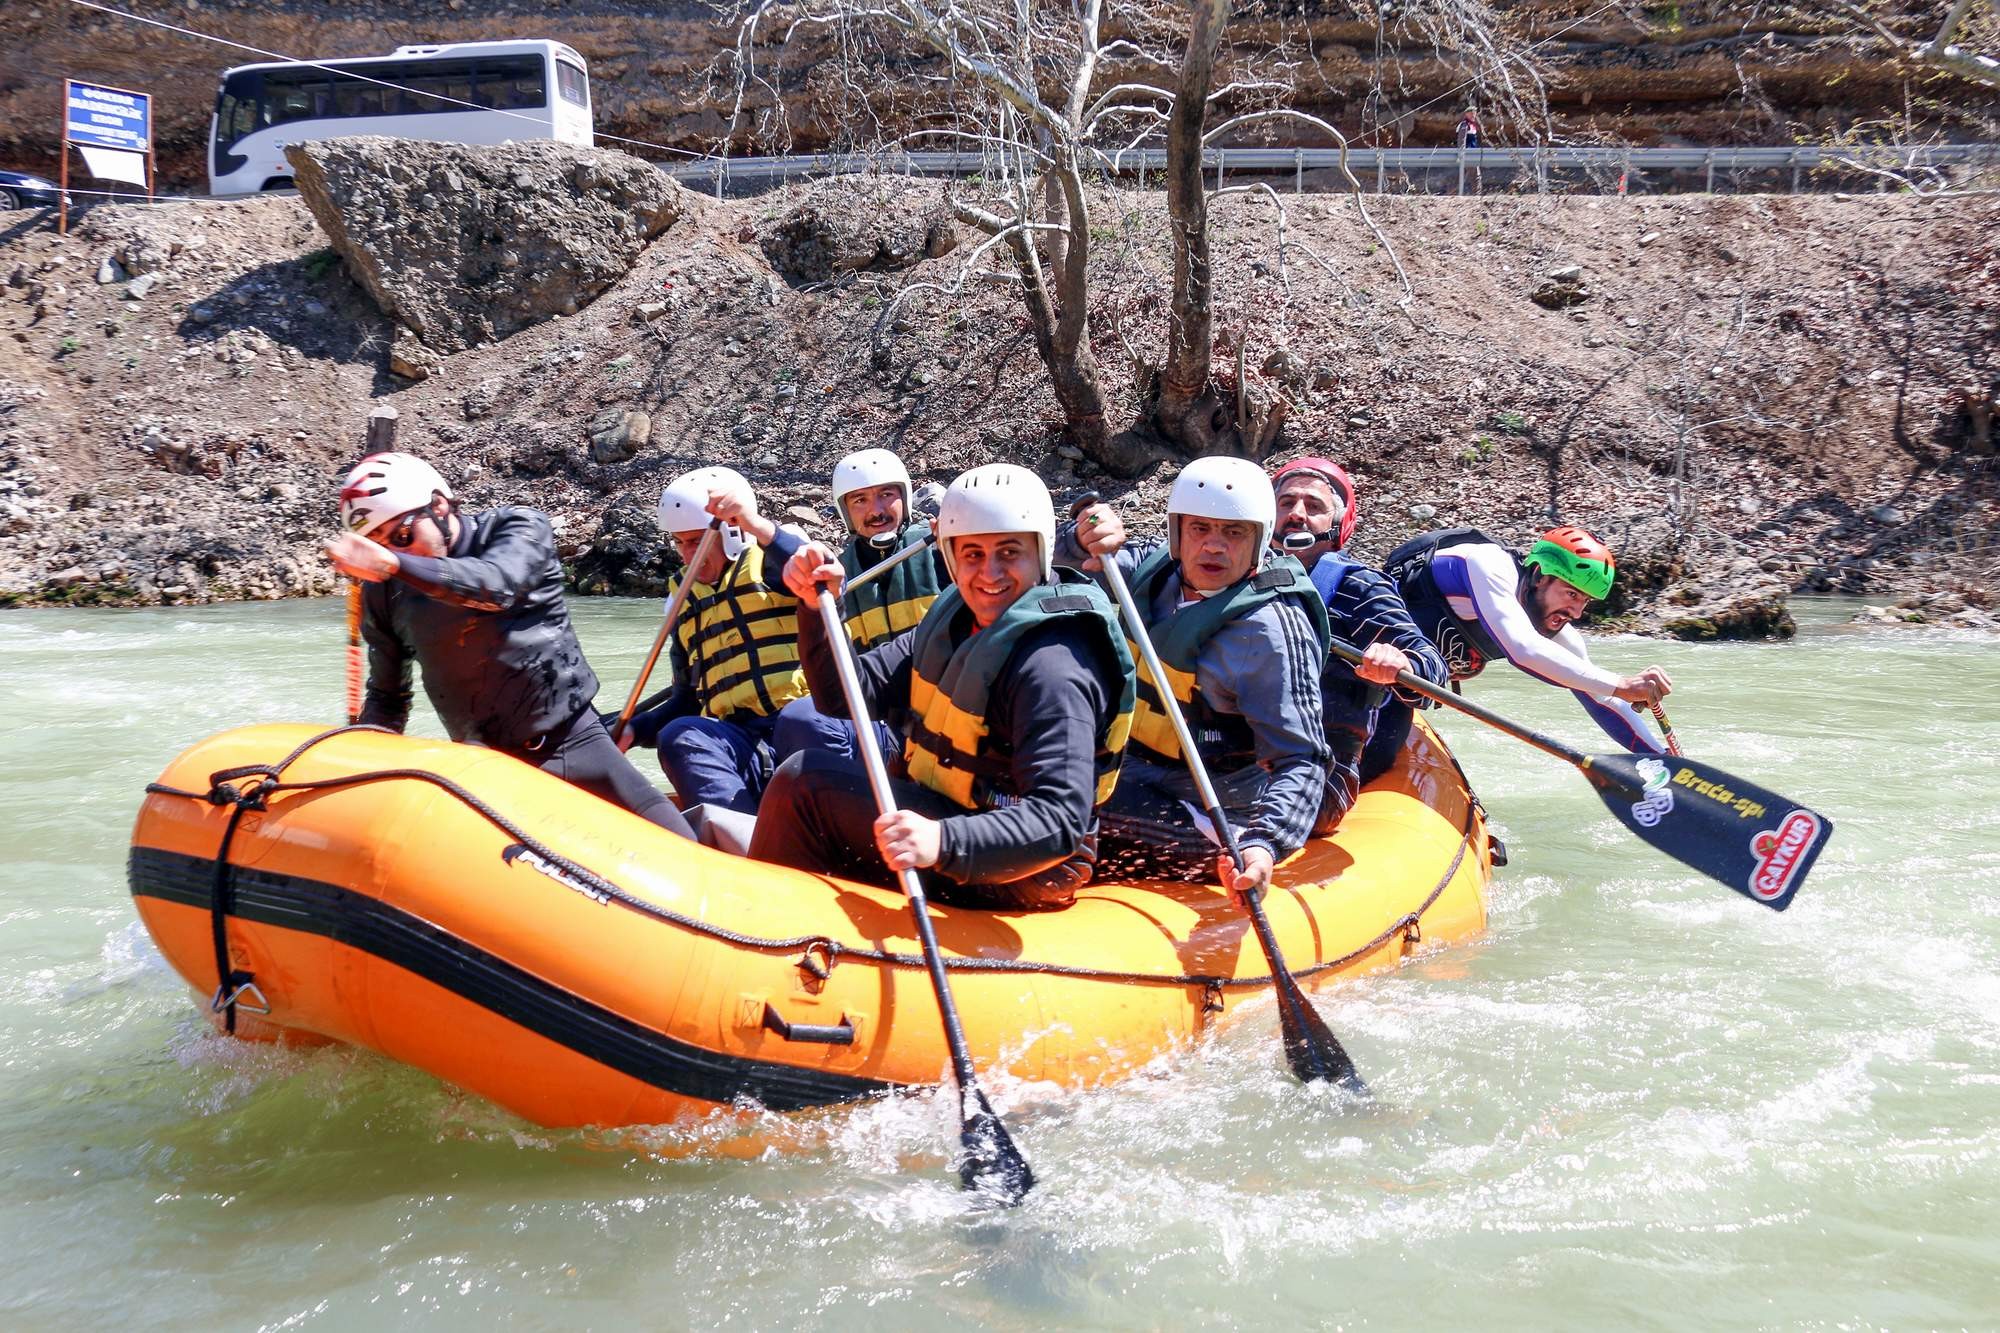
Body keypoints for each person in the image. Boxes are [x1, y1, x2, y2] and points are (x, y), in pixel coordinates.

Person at [747, 463, 1135, 911]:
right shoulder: (956, 621)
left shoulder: (1053, 665)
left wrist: (940, 839)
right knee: (804, 771)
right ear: (950, 557)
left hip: (1026, 866)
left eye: (1009, 552)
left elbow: (1060, 823)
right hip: (952, 811)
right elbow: (841, 695)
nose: (989, 574)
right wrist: (817, 608)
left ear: (1042, 553)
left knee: (803, 785)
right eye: (972, 554)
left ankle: (768, 926)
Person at [324, 451, 694, 839]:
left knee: (687, 852)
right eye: (378, 546)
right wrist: (360, 768)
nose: (396, 554)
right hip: (486, 770)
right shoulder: (384, 594)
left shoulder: (518, 528)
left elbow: (497, 586)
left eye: (401, 537)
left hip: (572, 744)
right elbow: (387, 700)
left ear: (438, 505)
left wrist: (390, 563)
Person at [1065, 457, 1331, 902]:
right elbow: (1039, 566)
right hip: (1127, 772)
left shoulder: (1268, 632)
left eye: (1233, 532)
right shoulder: (1147, 570)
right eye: (1200, 529)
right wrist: (1078, 539)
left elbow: (1302, 761)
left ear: (1261, 540)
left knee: (1056, 809)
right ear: (1178, 532)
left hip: (1209, 818)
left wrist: (1264, 845)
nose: (1213, 547)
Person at [1368, 524, 1673, 780]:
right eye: (1571, 594)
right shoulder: (1487, 563)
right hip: (1362, 651)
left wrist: (1665, 761)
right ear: (1540, 576)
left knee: (1383, 751)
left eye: (1586, 601)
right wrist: (1622, 683)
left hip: (1398, 681)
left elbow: (1601, 698)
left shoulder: (1556, 631)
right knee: (1376, 753)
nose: (1577, 612)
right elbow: (1523, 650)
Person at [620, 466, 843, 814]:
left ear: (732, 533)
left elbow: (816, 573)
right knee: (680, 734)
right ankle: (741, 840)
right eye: (679, 543)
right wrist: (635, 728)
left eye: (697, 541)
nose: (687, 554)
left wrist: (755, 523)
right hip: (740, 743)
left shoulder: (774, 567)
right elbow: (686, 700)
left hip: (805, 730)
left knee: (801, 718)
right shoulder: (683, 602)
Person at [1268, 457, 1450, 832]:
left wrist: (1402, 662)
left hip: (1323, 757)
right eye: (1286, 503)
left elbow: (1433, 669)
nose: (1296, 514)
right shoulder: (1232, 572)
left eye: (1314, 507)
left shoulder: (1360, 588)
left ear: (1337, 524)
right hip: (1239, 742)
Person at [770, 447, 947, 765]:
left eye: (886, 494)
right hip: (885, 723)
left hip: (946, 716)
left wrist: (955, 544)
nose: (876, 510)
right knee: (801, 719)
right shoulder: (836, 576)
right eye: (860, 500)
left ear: (904, 500)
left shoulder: (943, 550)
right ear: (846, 512)